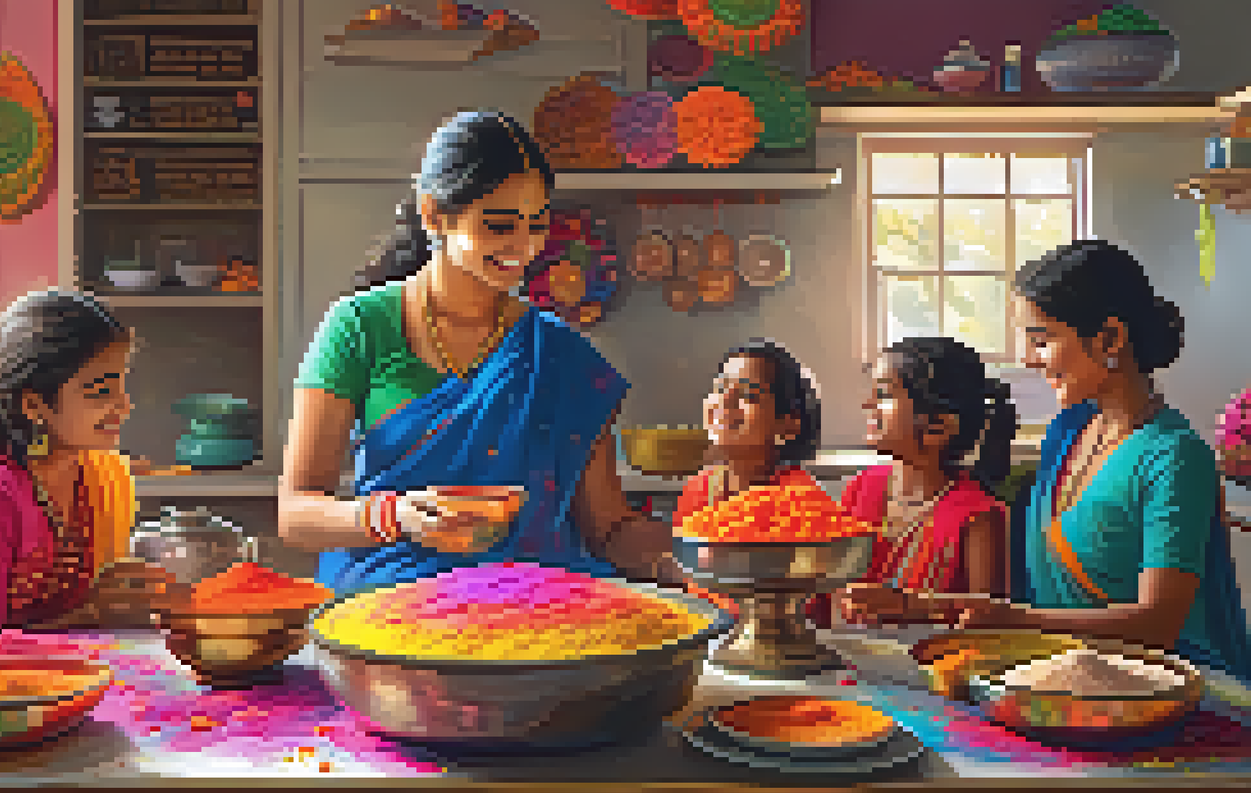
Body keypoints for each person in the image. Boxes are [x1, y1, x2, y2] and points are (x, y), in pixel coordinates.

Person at [279, 110, 680, 596]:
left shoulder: (557, 351)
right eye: (498, 226)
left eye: (536, 225)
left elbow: (609, 530)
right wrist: (397, 516)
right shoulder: (360, 327)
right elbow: (296, 514)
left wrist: (693, 556)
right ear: (434, 215)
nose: (524, 246)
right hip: (392, 601)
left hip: (536, 600)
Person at [840, 240, 1251, 683]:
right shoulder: (1068, 431)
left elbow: (1155, 626)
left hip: (1166, 698)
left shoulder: (1174, 457)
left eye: (1042, 340)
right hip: (1059, 683)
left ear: (1110, 338)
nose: (1027, 358)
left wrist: (1005, 618)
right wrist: (915, 605)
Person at [0, 290, 179, 635]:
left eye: (122, 387)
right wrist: (90, 613)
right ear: (34, 405)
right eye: (100, 391)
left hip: (83, 675)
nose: (124, 407)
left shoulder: (101, 477)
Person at [832, 337, 1017, 626]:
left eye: (883, 393)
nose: (867, 404)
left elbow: (988, 621)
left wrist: (910, 605)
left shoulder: (979, 516)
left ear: (937, 427)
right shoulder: (859, 488)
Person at [672, 338, 825, 529]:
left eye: (748, 394)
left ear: (788, 425)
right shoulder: (698, 488)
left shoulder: (804, 503)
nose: (725, 400)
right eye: (720, 388)